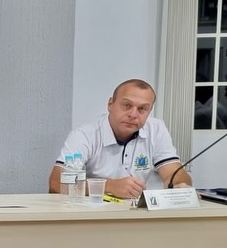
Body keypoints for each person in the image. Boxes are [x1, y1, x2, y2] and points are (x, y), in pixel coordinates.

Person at [48, 79, 192, 198]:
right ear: (110, 104)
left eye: (142, 109)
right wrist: (110, 186)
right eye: (127, 105)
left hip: (135, 214)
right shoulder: (85, 135)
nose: (133, 114)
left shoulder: (156, 129)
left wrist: (180, 185)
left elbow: (174, 173)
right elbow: (56, 183)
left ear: (149, 111)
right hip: (92, 214)